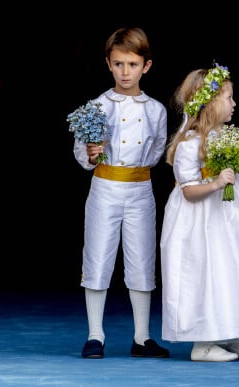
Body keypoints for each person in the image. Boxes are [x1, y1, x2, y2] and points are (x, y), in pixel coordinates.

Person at [160, 63, 239, 362]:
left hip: (228, 216)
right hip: (200, 222)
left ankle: (231, 332)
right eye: (228, 97)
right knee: (206, 273)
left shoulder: (223, 136)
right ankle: (202, 342)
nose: (234, 103)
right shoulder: (190, 145)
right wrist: (216, 183)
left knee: (234, 269)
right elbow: (189, 191)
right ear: (210, 103)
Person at [73, 27, 170, 359]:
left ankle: (142, 337)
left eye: (132, 64)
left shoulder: (156, 110)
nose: (125, 72)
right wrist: (89, 154)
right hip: (105, 187)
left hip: (140, 189)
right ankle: (95, 334)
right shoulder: (98, 106)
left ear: (146, 66)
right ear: (108, 65)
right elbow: (81, 150)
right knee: (98, 256)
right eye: (118, 64)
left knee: (142, 258)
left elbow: (157, 150)